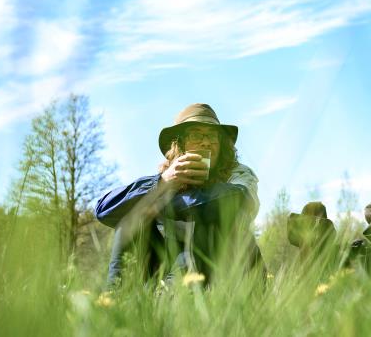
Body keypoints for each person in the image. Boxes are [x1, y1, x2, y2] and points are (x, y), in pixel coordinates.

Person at [95, 103, 262, 286]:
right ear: (179, 143)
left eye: (213, 135)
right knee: (131, 216)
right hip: (173, 279)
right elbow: (104, 210)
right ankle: (116, 299)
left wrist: (157, 204)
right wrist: (163, 183)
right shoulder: (165, 180)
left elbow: (238, 200)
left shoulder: (239, 174)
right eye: (197, 135)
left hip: (230, 279)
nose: (206, 142)